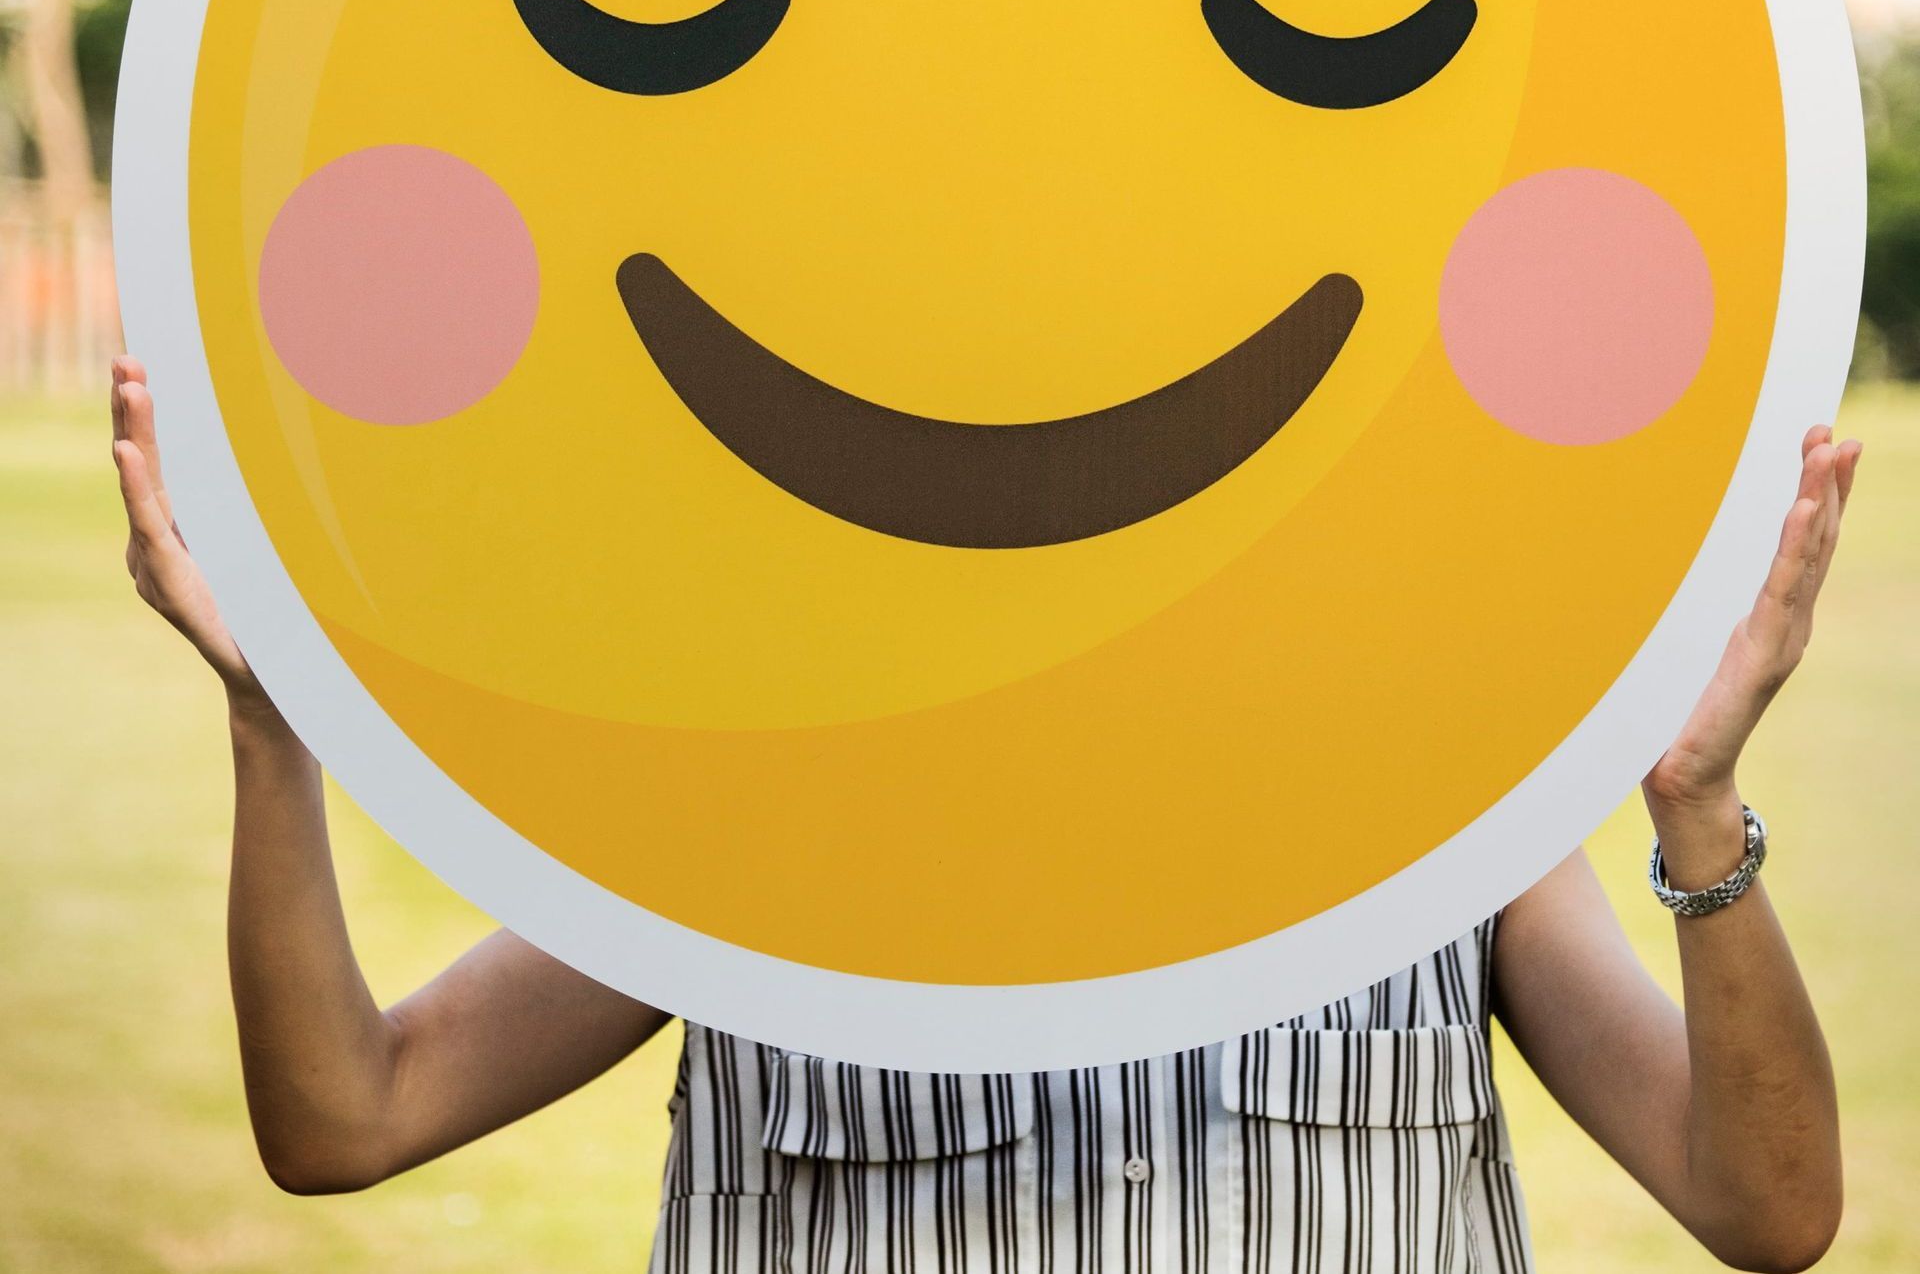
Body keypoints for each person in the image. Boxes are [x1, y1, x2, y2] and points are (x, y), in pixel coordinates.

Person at [108, 353, 1857, 1273]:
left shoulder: (1440, 809)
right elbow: (349, 1118)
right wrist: (280, 725)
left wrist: (1696, 808)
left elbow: (1765, 1211)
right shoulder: (756, 835)